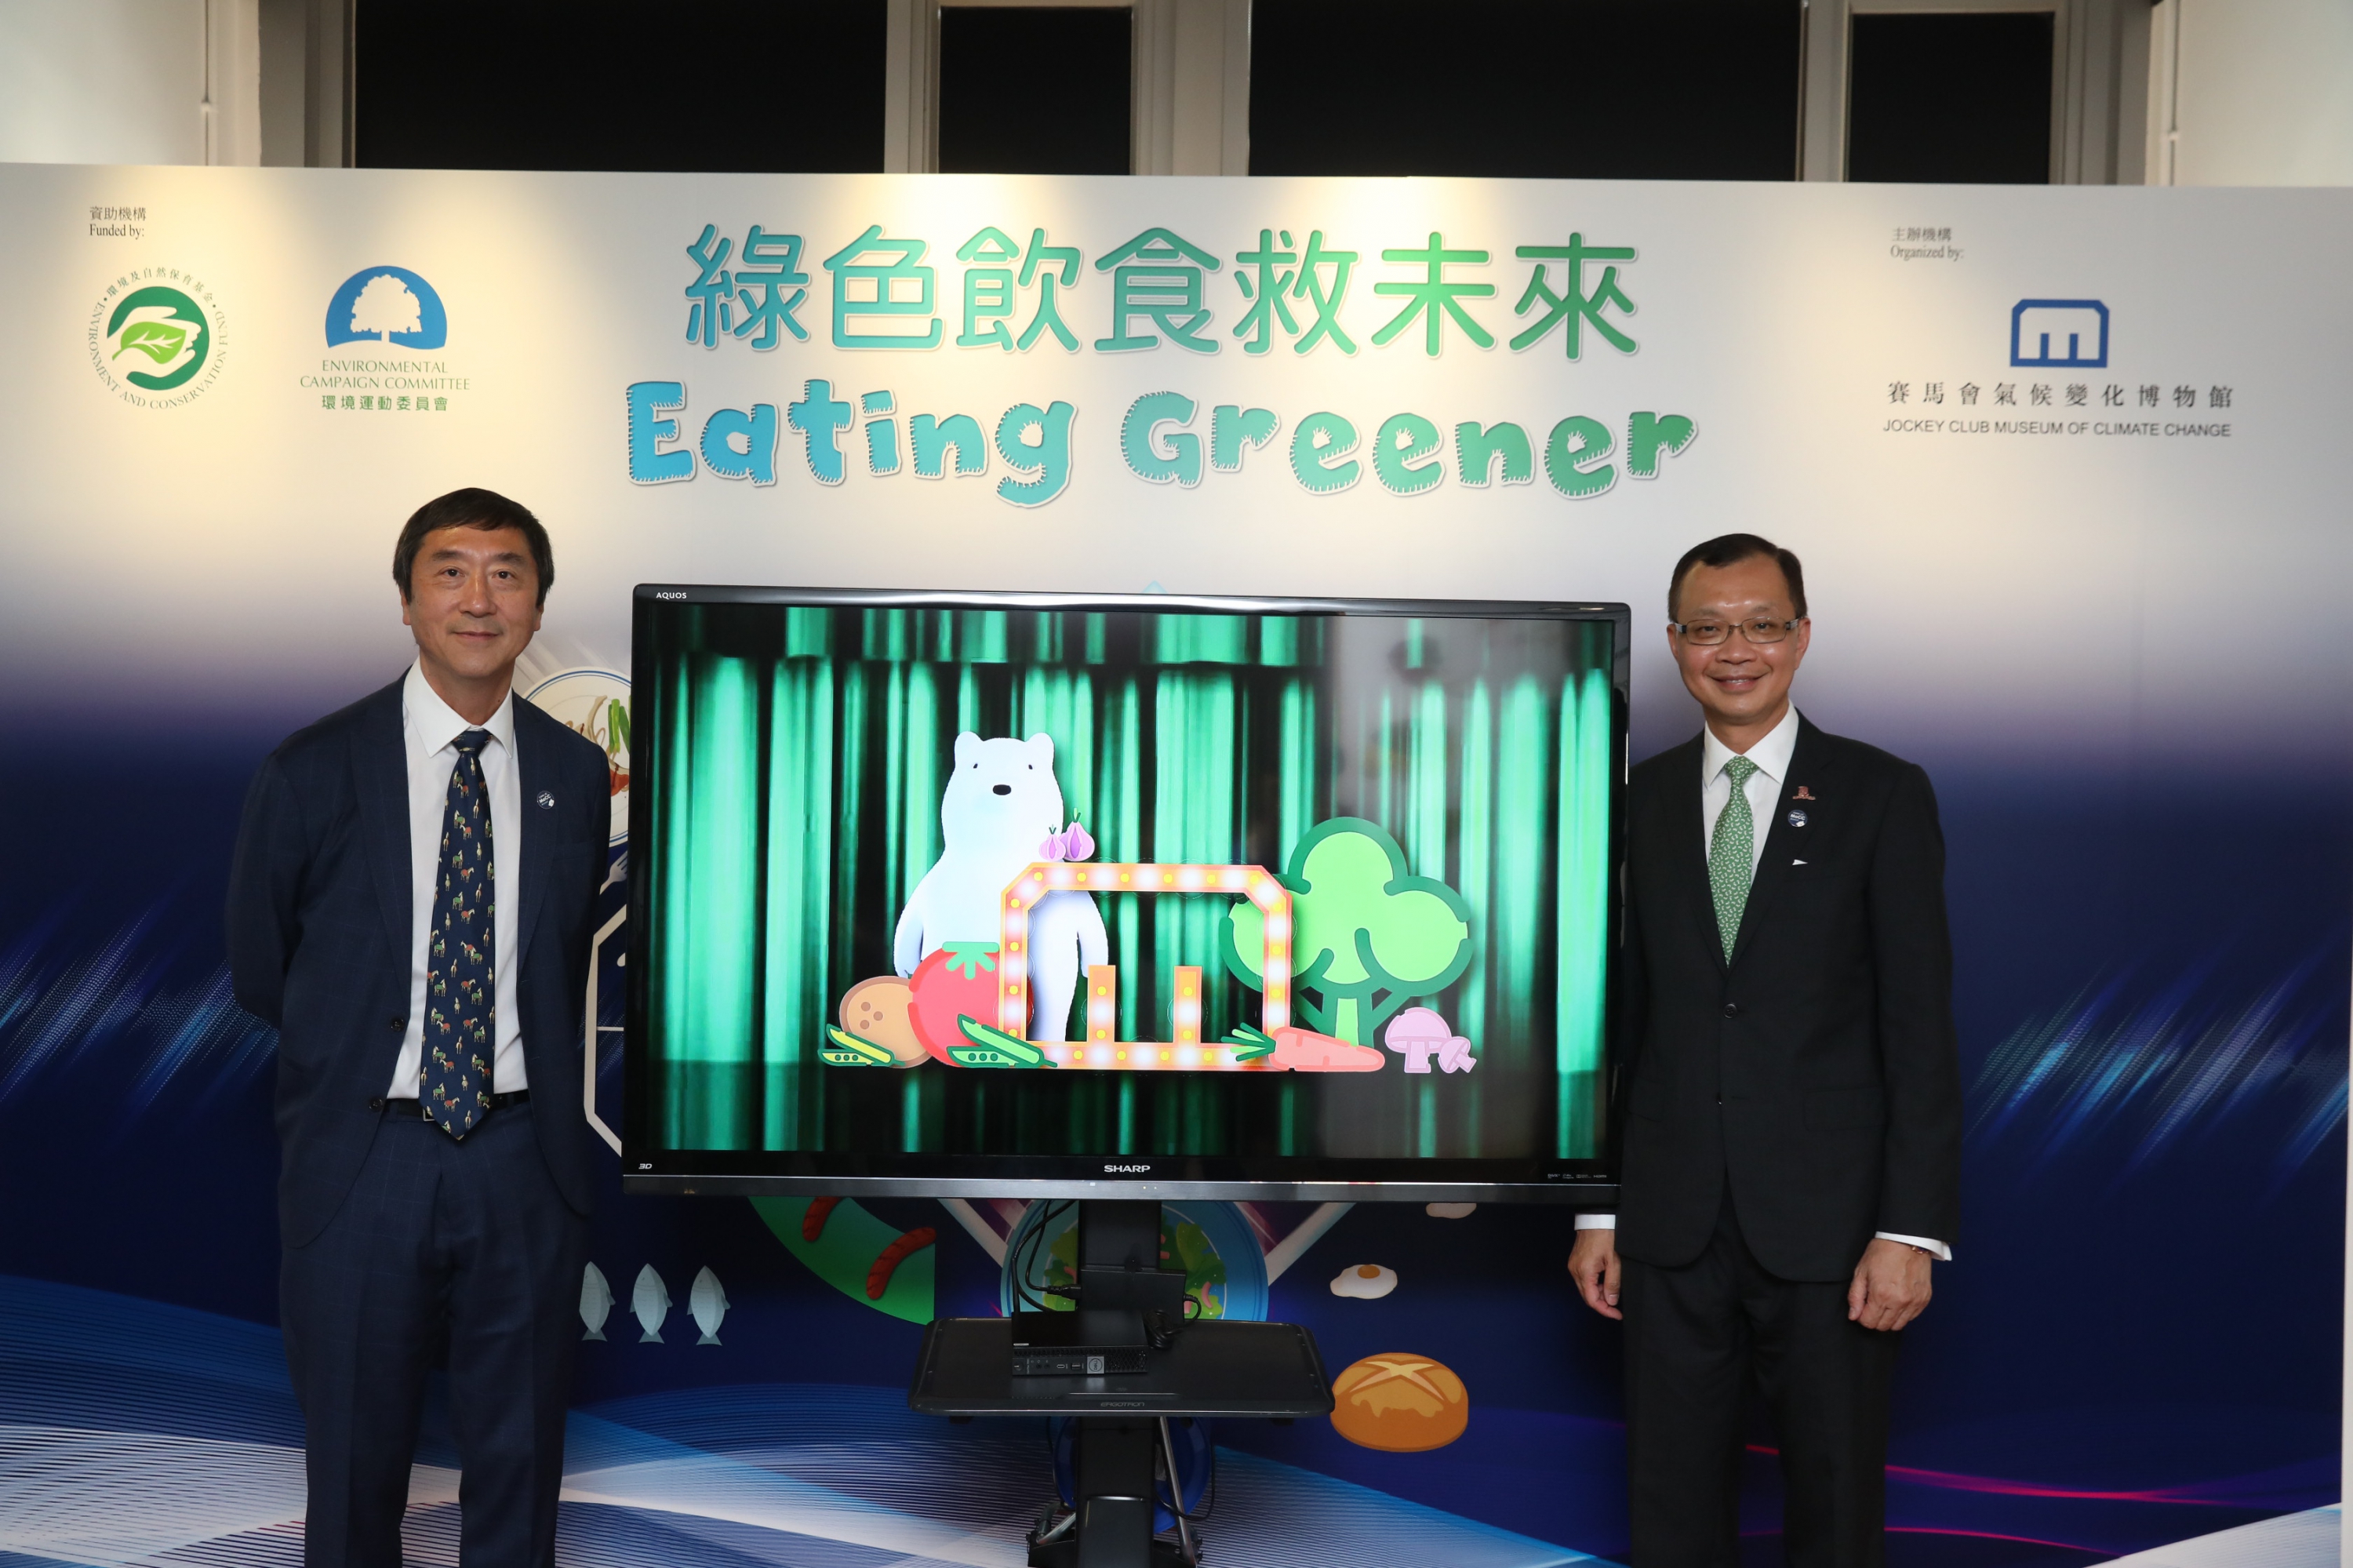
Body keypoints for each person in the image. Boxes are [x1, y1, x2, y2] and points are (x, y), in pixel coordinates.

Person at [226, 489, 611, 1566]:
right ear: (406, 599)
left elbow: (562, 953)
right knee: (352, 1472)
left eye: (507, 573)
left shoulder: (577, 776)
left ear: (537, 606)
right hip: (366, 1158)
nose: (478, 598)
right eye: (450, 570)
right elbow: (265, 969)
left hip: (523, 1159)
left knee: (520, 1466)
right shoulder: (312, 768)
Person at [1567, 533, 1962, 1567]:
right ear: (1675, 643)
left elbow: (1919, 1028)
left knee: (1834, 1503)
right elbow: (1618, 1023)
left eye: (1760, 624)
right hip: (1669, 1216)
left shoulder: (1880, 794)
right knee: (1671, 1499)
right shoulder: (1635, 805)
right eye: (1708, 628)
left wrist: (1910, 1233)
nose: (1734, 648)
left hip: (1834, 1227)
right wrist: (1600, 1205)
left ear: (1800, 636)